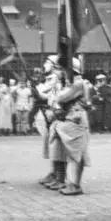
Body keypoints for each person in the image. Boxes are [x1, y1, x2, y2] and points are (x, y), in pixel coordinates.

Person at [51, 58, 92, 195]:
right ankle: (72, 183)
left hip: (76, 119)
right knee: (72, 153)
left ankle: (75, 184)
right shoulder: (72, 83)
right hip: (71, 119)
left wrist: (57, 94)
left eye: (63, 69)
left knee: (76, 153)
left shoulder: (77, 83)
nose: (60, 72)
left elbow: (60, 98)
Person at [37, 55, 66, 189]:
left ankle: (60, 177)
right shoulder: (53, 79)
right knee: (53, 146)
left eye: (48, 62)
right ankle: (54, 173)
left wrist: (37, 89)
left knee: (58, 148)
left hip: (57, 115)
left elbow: (49, 94)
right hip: (51, 114)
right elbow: (46, 95)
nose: (45, 64)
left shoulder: (56, 79)